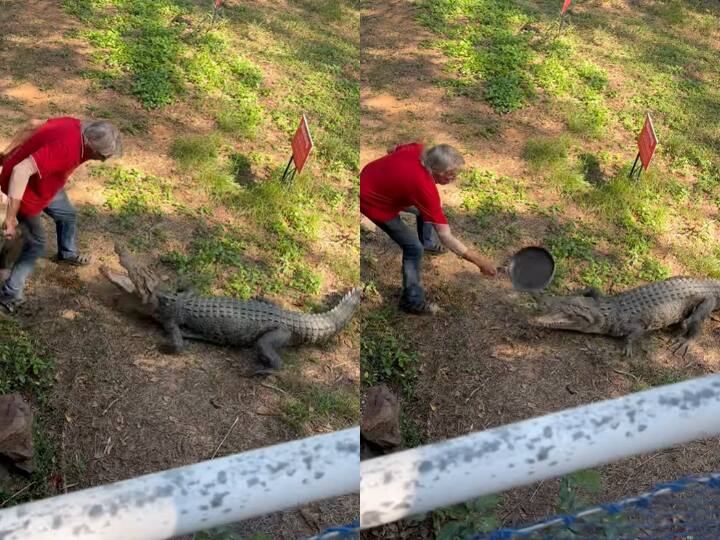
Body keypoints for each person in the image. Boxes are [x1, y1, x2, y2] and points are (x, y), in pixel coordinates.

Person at [0, 117, 122, 312]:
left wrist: (7, 154)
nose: (103, 160)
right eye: (102, 155)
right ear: (90, 144)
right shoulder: (67, 149)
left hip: (48, 182)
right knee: (35, 244)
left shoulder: (75, 125)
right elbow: (21, 171)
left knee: (67, 215)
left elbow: (34, 124)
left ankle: (67, 253)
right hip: (26, 192)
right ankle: (9, 295)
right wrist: (10, 217)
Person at [360, 142, 497, 314]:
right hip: (371, 200)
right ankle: (412, 302)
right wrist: (479, 261)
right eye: (451, 174)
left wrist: (395, 175)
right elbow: (446, 236)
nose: (454, 177)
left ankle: (427, 243)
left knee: (426, 210)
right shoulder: (424, 188)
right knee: (413, 248)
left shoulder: (419, 149)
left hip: (369, 176)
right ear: (438, 172)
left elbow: (392, 148)